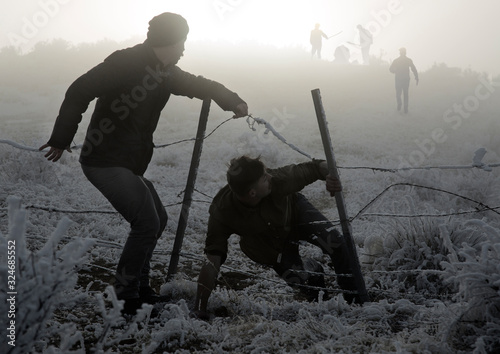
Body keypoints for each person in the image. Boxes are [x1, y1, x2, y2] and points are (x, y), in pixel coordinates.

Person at [39, 12, 248, 315]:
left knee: (157, 219)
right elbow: (79, 89)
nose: (184, 49)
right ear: (169, 41)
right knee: (147, 222)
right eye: (182, 41)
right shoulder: (124, 62)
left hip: (129, 164)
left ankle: (141, 289)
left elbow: (202, 85)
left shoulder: (166, 71)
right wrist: (61, 137)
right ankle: (124, 296)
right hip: (103, 159)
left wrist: (233, 101)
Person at [192, 156, 360, 320]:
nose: (270, 177)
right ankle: (315, 279)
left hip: (296, 213)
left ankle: (356, 303)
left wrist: (330, 175)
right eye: (265, 178)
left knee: (336, 242)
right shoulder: (222, 212)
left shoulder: (276, 180)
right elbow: (212, 259)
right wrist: (200, 307)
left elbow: (316, 167)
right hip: (270, 241)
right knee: (304, 283)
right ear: (252, 193)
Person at [389, 47, 419, 113]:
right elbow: (414, 69)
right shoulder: (408, 60)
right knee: (405, 94)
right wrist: (416, 77)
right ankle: (405, 108)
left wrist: (395, 71)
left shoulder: (396, 60)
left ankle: (400, 105)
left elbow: (390, 69)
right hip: (405, 79)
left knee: (398, 93)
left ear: (400, 52)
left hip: (399, 79)